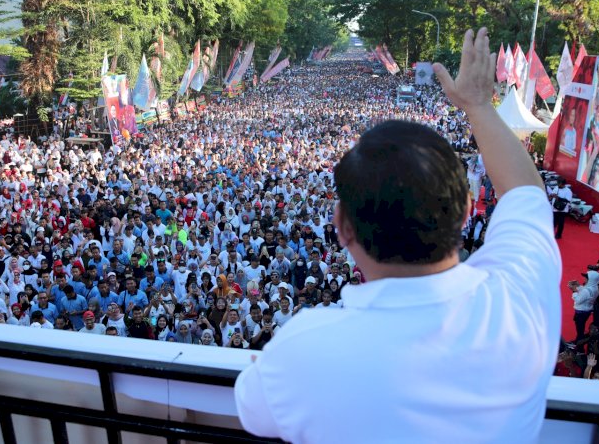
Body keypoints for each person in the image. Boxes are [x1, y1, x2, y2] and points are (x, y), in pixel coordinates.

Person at [234, 28, 561, 442]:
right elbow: (527, 193)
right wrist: (479, 106)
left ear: (342, 227)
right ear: (464, 210)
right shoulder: (519, 303)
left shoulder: (304, 350)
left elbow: (250, 413)